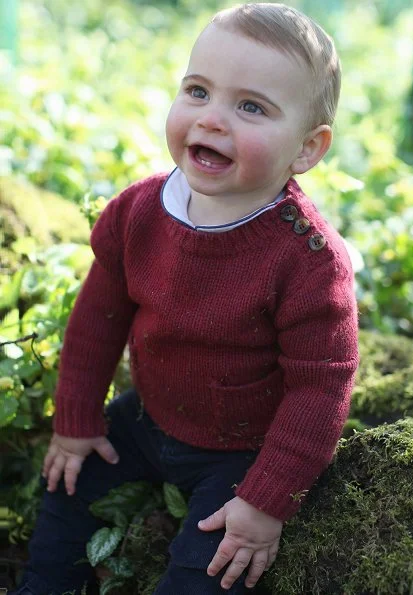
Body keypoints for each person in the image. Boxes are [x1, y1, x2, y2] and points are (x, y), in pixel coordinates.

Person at [12, 3, 359, 594]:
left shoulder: (306, 260)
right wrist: (75, 421)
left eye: (250, 106)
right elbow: (98, 319)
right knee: (66, 495)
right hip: (146, 416)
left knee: (212, 563)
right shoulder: (141, 211)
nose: (213, 119)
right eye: (197, 91)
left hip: (243, 447)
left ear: (307, 149)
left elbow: (322, 384)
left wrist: (268, 500)